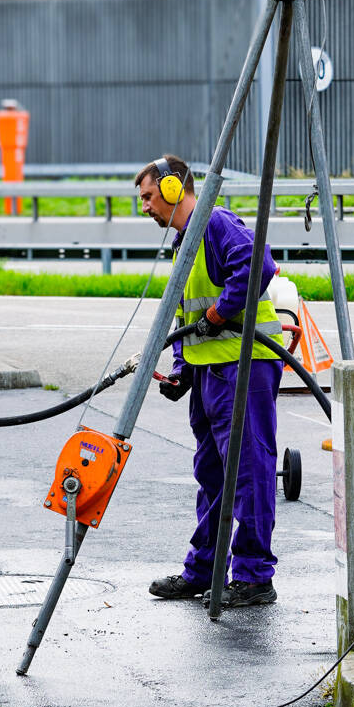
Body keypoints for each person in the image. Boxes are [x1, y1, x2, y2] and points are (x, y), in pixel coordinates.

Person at [135, 155, 283, 607]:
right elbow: (187, 317)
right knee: (212, 475)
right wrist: (182, 370)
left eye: (148, 197)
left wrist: (222, 311)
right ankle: (203, 570)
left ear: (174, 189)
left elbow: (258, 265)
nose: (144, 208)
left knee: (249, 472)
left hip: (243, 365)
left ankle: (255, 577)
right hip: (209, 374)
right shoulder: (186, 242)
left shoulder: (215, 223)